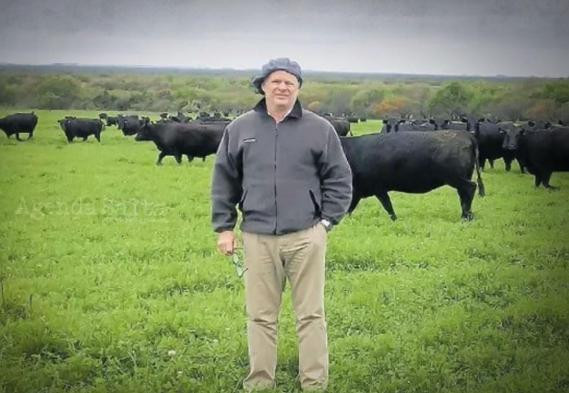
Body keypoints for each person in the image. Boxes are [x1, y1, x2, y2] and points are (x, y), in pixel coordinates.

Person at [211, 57, 352, 391]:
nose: (283, 87)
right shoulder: (241, 128)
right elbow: (224, 179)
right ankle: (260, 382)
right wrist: (224, 227)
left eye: (290, 81)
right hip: (257, 237)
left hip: (306, 236)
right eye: (276, 81)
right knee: (260, 316)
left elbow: (340, 178)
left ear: (299, 88)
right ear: (263, 86)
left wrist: (326, 222)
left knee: (311, 315)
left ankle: (314, 382)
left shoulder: (320, 129)